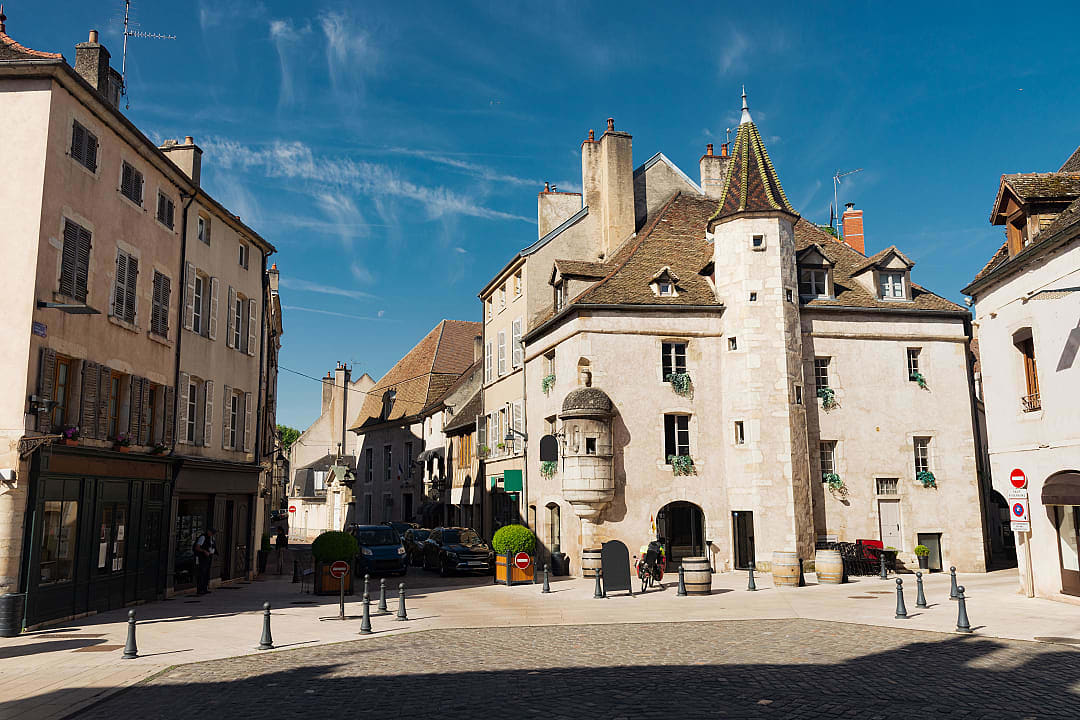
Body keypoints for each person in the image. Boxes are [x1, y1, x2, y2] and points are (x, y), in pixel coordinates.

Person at [194, 527, 217, 595]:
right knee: (202, 573)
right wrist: (204, 551)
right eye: (212, 533)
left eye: (213, 533)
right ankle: (200, 589)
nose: (212, 534)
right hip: (202, 557)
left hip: (209, 556)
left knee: (207, 572)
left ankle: (204, 588)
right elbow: (197, 547)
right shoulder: (203, 537)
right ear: (208, 531)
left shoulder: (212, 538)